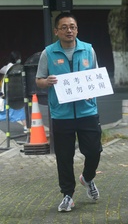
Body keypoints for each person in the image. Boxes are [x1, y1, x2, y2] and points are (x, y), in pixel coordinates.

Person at [36, 12, 102, 212]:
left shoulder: (88, 50)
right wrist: (46, 82)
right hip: (62, 114)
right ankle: (67, 195)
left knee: (94, 151)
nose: (69, 30)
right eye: (64, 27)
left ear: (77, 29)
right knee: (64, 157)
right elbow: (39, 80)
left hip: (87, 112)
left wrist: (94, 92)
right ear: (56, 31)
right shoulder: (48, 53)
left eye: (72, 27)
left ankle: (88, 178)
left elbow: (96, 77)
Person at [0, 51, 27, 133]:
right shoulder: (20, 67)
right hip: (16, 93)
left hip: (6, 93)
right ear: (17, 59)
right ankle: (26, 126)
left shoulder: (7, 67)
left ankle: (26, 126)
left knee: (5, 111)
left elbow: (1, 70)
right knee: (20, 110)